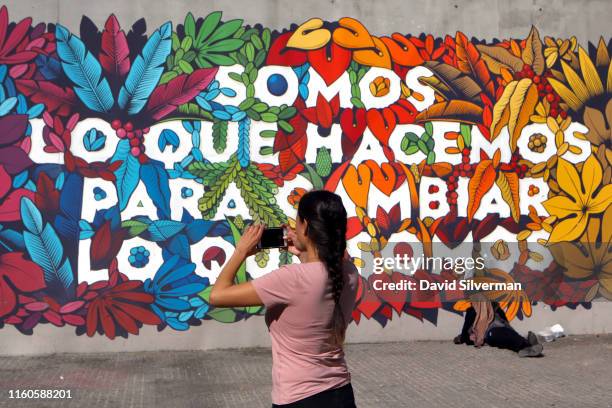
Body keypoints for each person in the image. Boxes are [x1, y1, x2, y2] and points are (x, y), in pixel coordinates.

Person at [209, 190, 359, 407]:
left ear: (305, 226)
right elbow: (321, 273)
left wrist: (241, 251)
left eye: (297, 221)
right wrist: (304, 252)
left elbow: (217, 295)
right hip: (341, 394)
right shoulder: (350, 272)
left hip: (299, 398)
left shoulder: (291, 279)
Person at [453, 293, 543, 357]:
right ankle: (525, 346)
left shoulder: (494, 307)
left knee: (508, 333)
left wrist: (511, 329)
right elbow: (465, 334)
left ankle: (527, 344)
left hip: (501, 327)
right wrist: (466, 338)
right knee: (500, 338)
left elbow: (505, 321)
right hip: (489, 333)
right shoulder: (472, 312)